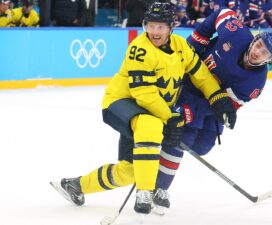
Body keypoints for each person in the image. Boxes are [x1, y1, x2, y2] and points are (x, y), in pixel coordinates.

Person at [50, 0, 237, 215]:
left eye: (160, 27)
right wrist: (171, 118)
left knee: (131, 170)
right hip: (121, 103)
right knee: (151, 125)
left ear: (170, 27)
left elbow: (201, 74)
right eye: (150, 25)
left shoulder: (180, 46)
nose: (154, 31)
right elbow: (144, 94)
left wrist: (218, 97)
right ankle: (145, 192)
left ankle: (76, 185)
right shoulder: (139, 49)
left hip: (151, 110)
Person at [153, 7, 272, 212]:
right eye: (259, 45)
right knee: (183, 138)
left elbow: (225, 106)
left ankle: (167, 140)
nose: (257, 52)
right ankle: (158, 188)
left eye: (265, 52)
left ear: (270, 59)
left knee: (202, 146)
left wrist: (202, 112)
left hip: (211, 103)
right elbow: (222, 12)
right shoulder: (236, 32)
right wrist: (197, 40)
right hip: (190, 86)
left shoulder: (255, 84)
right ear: (255, 39)